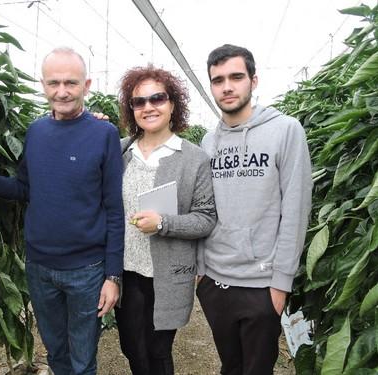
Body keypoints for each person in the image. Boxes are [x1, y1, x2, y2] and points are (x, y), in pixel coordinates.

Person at [0, 47, 124, 375]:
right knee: (56, 351)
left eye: (71, 83)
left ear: (86, 85)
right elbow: (24, 189)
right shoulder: (36, 131)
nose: (61, 91)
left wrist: (112, 276)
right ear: (43, 84)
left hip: (86, 270)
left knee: (82, 358)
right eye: (53, 83)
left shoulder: (104, 134)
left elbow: (113, 209)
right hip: (40, 267)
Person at [196, 44, 313, 375]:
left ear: (254, 80)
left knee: (257, 369)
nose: (227, 86)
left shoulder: (285, 130)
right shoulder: (208, 142)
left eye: (236, 77)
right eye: (218, 80)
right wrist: (201, 269)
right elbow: (204, 209)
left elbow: (296, 208)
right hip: (215, 281)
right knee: (230, 366)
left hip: (262, 284)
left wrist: (281, 282)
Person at [115, 65, 216, 375]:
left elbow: (206, 218)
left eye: (157, 98)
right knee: (132, 348)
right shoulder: (120, 152)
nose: (148, 107)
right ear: (131, 110)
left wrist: (163, 223)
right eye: (139, 102)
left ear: (173, 104)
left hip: (168, 274)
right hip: (126, 271)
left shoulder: (193, 158)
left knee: (158, 351)